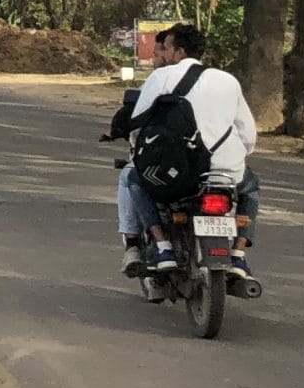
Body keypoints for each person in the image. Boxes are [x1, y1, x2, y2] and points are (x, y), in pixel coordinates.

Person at [109, 22, 259, 278]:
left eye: (165, 49)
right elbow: (248, 136)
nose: (162, 55)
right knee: (251, 187)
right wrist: (231, 158)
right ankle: (238, 255)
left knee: (135, 179)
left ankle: (162, 246)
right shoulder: (228, 80)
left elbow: (138, 120)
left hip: (179, 171)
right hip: (226, 171)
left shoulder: (161, 77)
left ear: (178, 52)